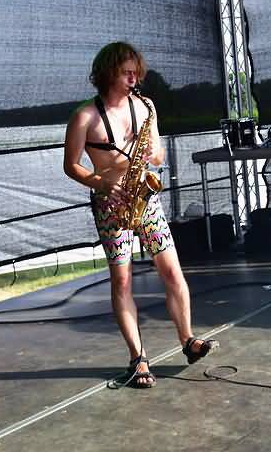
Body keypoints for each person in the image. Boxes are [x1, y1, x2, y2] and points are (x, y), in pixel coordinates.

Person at [63, 41, 218, 388]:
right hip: (111, 204)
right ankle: (138, 358)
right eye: (126, 73)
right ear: (108, 73)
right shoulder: (84, 116)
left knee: (172, 271)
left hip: (146, 200)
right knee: (122, 281)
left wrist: (152, 152)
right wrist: (100, 182)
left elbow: (159, 156)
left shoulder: (146, 106)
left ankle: (188, 339)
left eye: (136, 73)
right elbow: (70, 165)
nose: (134, 79)